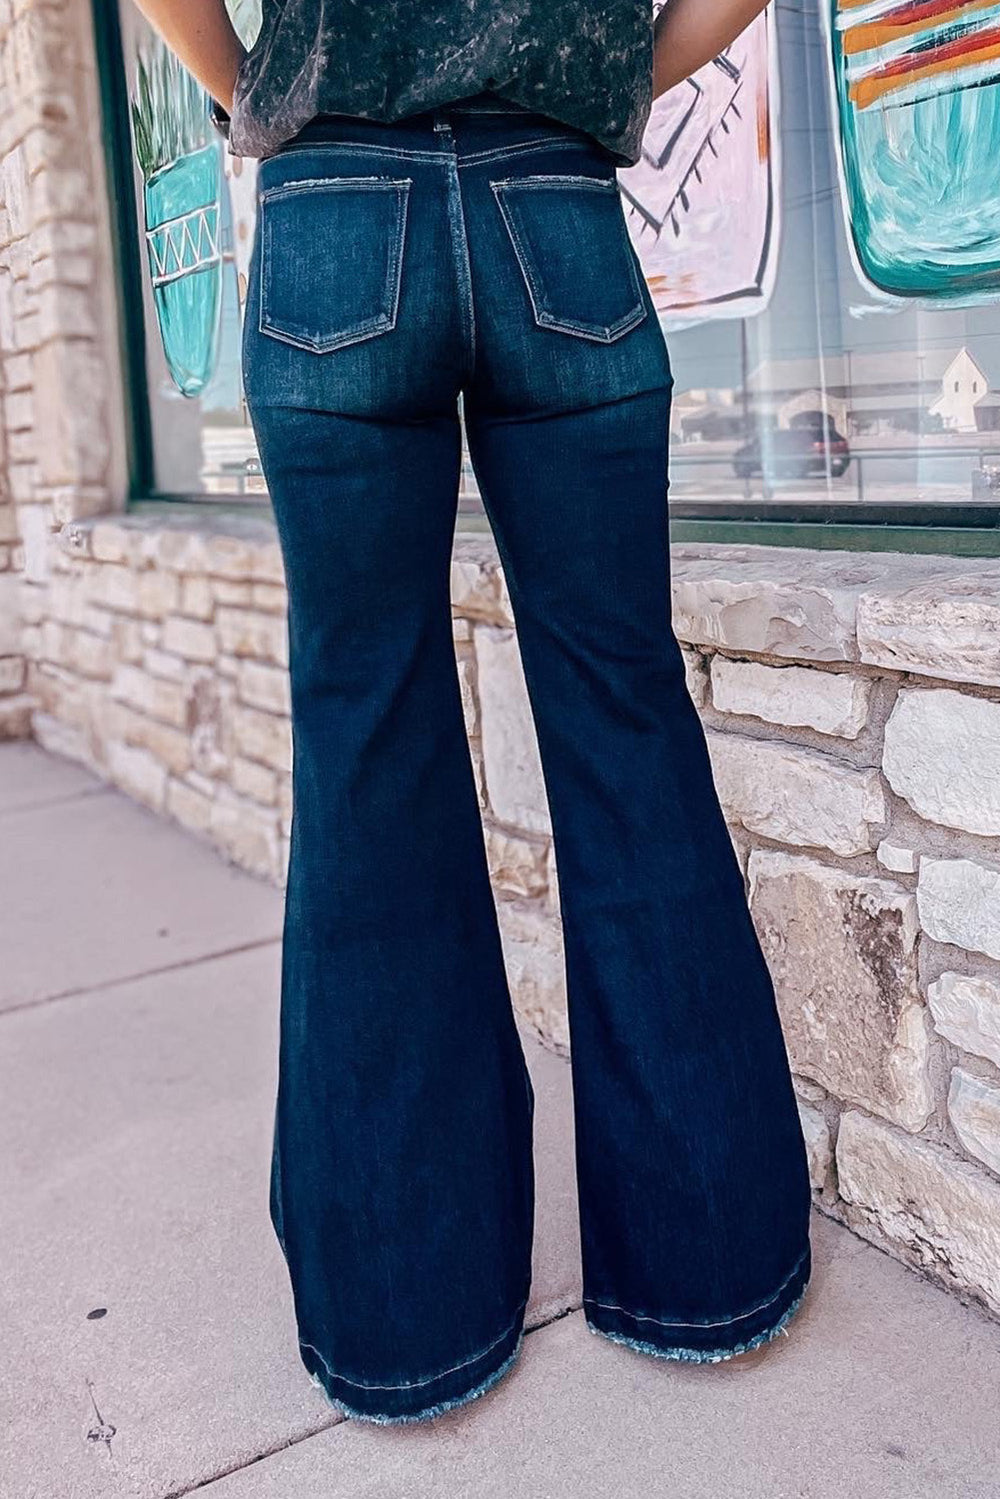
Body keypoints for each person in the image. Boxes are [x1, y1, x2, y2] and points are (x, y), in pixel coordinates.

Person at [132, 0, 812, 1426]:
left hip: (334, 211)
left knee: (369, 750)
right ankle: (711, 1270)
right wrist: (619, 69)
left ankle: (407, 1323)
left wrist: (257, 93)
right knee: (629, 729)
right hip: (555, 207)